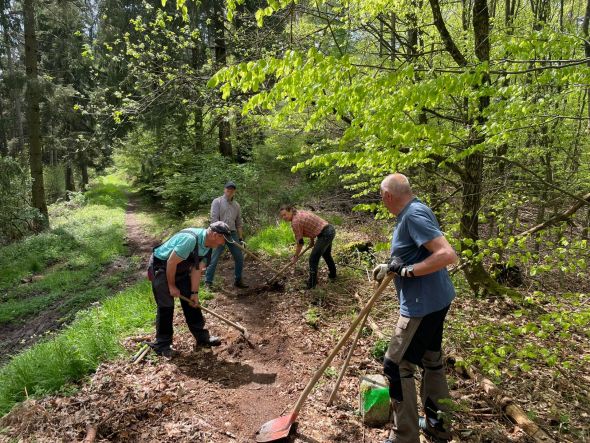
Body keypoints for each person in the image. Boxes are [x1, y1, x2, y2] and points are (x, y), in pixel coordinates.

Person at [372, 173, 457, 443]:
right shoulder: (417, 208)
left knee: (395, 366)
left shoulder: (412, 215)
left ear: (387, 196)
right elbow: (416, 252)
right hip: (437, 300)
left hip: (421, 306)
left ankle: (405, 436)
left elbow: (446, 255)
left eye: (381, 197)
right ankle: (438, 425)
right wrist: (392, 266)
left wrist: (406, 272)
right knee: (432, 362)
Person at [149, 222, 231, 357]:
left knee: (192, 303)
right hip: (163, 268)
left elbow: (196, 270)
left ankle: (202, 337)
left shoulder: (208, 246)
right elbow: (171, 262)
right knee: (166, 306)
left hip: (181, 270)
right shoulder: (190, 240)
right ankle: (162, 345)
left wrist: (194, 293)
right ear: (215, 235)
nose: (223, 244)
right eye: (223, 240)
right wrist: (171, 286)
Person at [279, 204, 336, 289]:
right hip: (329, 230)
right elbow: (310, 226)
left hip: (325, 234)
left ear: (290, 211)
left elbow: (300, 242)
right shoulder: (299, 213)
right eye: (282, 216)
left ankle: (312, 284)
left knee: (313, 259)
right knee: (326, 255)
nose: (284, 217)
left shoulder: (295, 222)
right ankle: (333, 275)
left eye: (285, 214)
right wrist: (312, 241)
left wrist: (296, 256)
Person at [205, 182, 249, 289]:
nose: (229, 192)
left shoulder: (236, 205)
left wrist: (240, 238)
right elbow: (214, 220)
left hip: (232, 233)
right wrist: (219, 233)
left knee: (239, 257)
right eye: (228, 190)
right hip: (218, 232)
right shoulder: (217, 202)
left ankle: (238, 280)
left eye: (232, 191)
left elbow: (239, 223)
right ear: (224, 190)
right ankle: (208, 283)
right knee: (214, 258)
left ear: (234, 192)